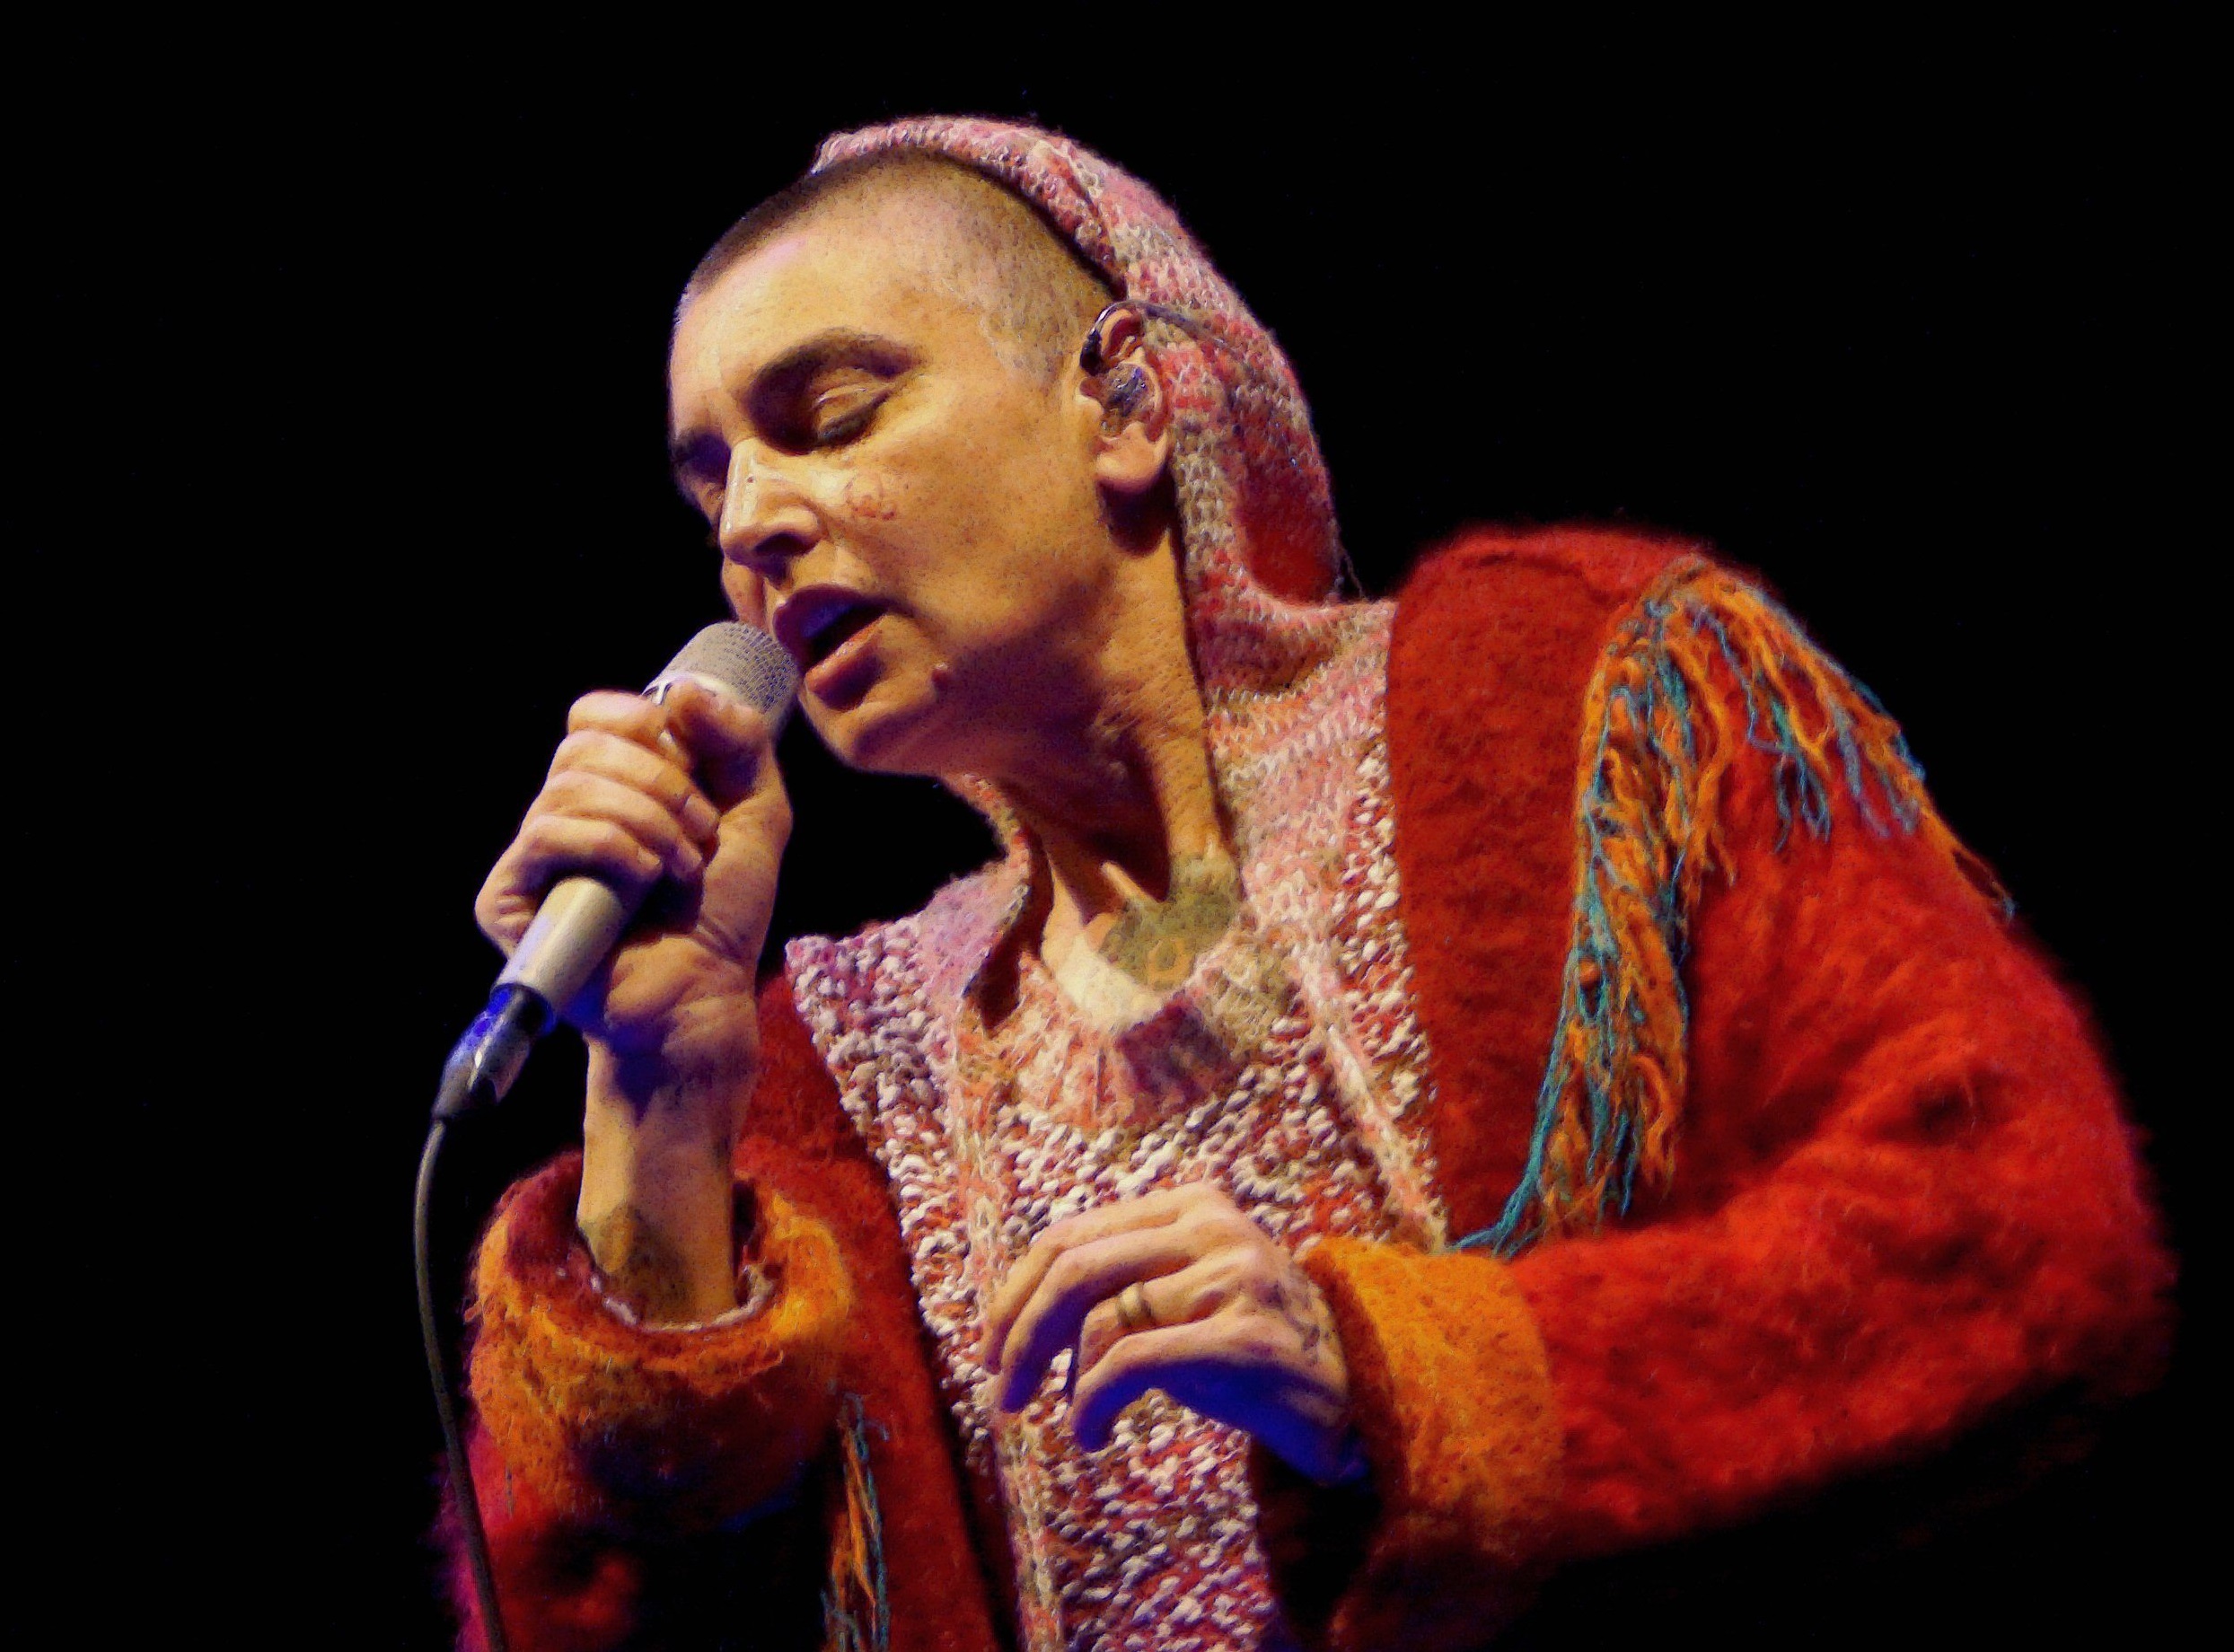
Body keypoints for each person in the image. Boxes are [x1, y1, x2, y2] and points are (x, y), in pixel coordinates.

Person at [450, 117, 2170, 1652]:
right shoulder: (844, 1053)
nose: (753, 518)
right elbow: (594, 1608)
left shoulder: (1573, 712)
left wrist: (1406, 1376)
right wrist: (658, 1097)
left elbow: (2020, 1225)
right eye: (711, 484)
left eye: (829, 416)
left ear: (1124, 399)